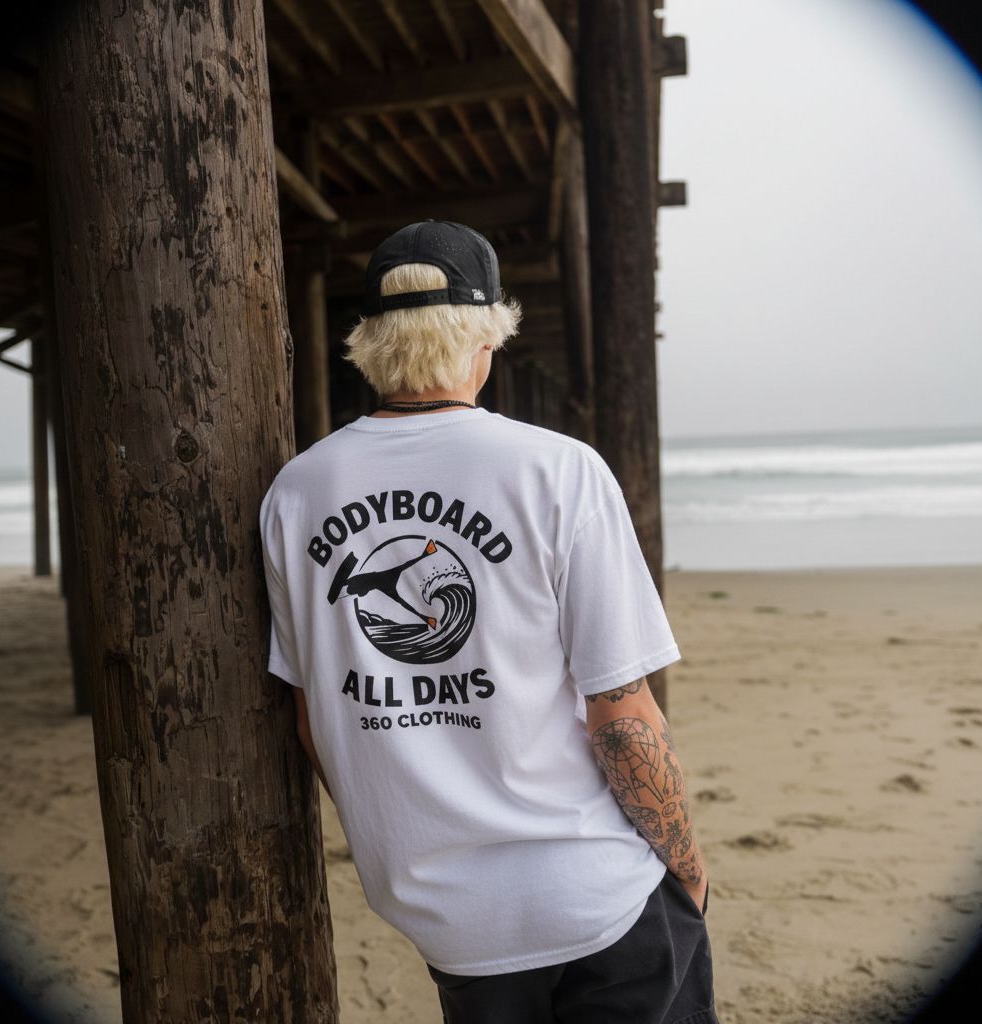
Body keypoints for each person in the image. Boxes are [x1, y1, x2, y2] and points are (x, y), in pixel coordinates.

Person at [259, 219, 720, 1024]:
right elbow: (621, 715)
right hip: (593, 896)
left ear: (371, 343)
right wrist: (687, 863)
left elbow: (314, 720)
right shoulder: (558, 470)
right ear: (485, 339)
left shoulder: (296, 493)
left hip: (448, 921)